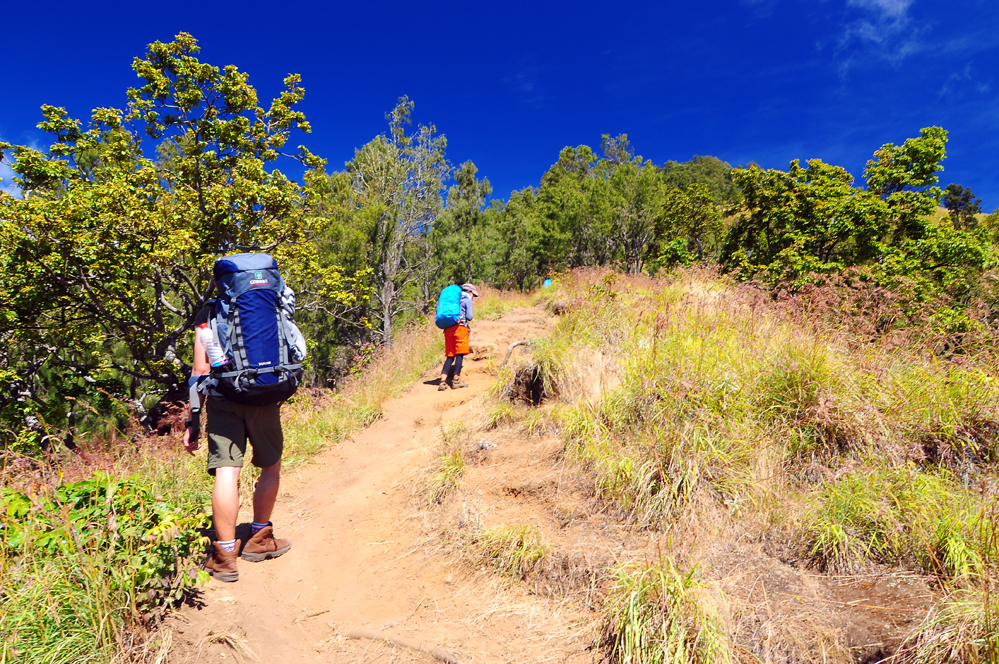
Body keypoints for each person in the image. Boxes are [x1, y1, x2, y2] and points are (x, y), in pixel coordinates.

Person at [182, 295, 292, 583]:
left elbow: (200, 370)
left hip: (223, 398)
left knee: (227, 472)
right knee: (271, 466)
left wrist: (193, 420)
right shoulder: (269, 303)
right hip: (265, 396)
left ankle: (225, 556)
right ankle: (259, 538)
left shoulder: (209, 311)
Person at [438, 283, 478, 391]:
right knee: (459, 354)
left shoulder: (453, 299)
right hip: (460, 329)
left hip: (448, 329)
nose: (473, 296)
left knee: (450, 356)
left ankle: (442, 382)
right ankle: (456, 381)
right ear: (469, 291)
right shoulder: (467, 298)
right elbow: (469, 317)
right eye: (473, 294)